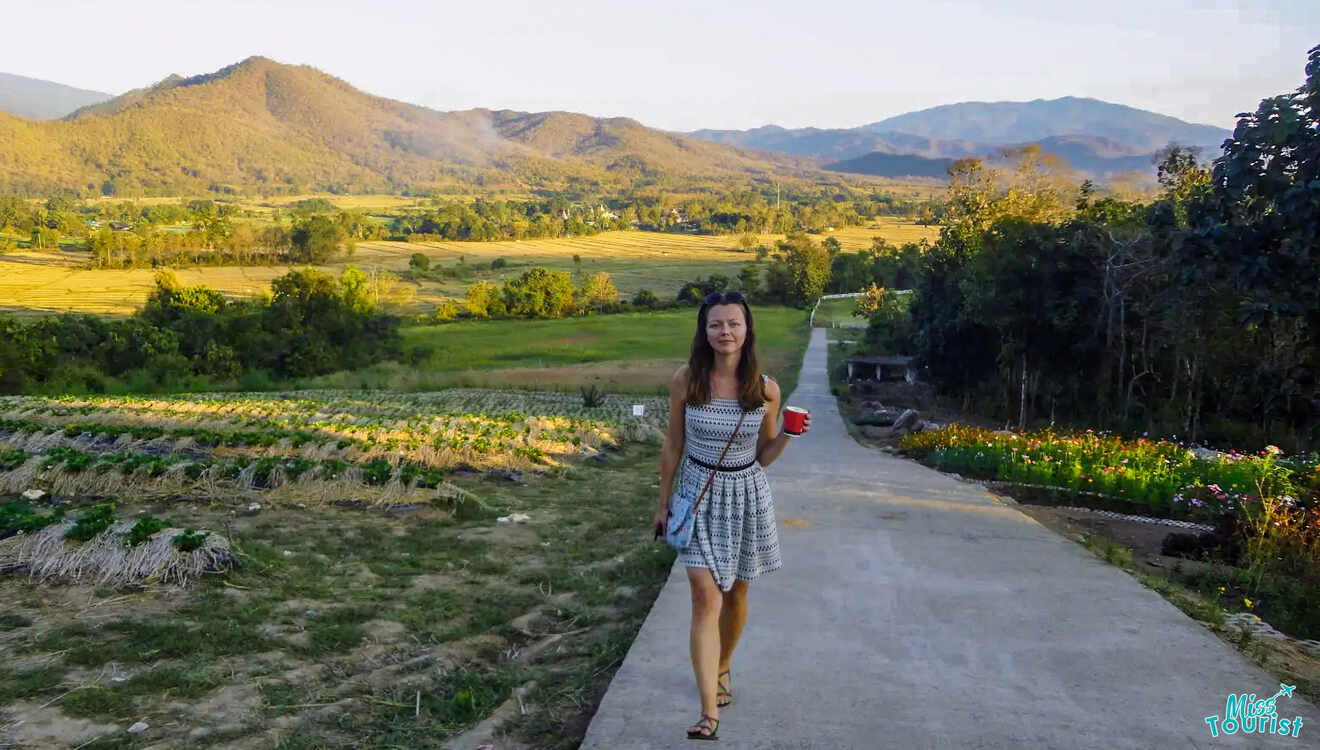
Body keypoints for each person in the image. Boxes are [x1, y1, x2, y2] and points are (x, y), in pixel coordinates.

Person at [650, 290, 812, 741]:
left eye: (733, 324)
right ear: (704, 331)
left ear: (747, 329)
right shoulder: (688, 380)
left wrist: (789, 436)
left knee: (737, 594)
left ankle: (722, 666)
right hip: (697, 495)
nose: (725, 332)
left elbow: (763, 454)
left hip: (745, 494)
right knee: (705, 596)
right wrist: (663, 502)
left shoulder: (765, 388)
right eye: (716, 324)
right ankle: (708, 713)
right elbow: (672, 446)